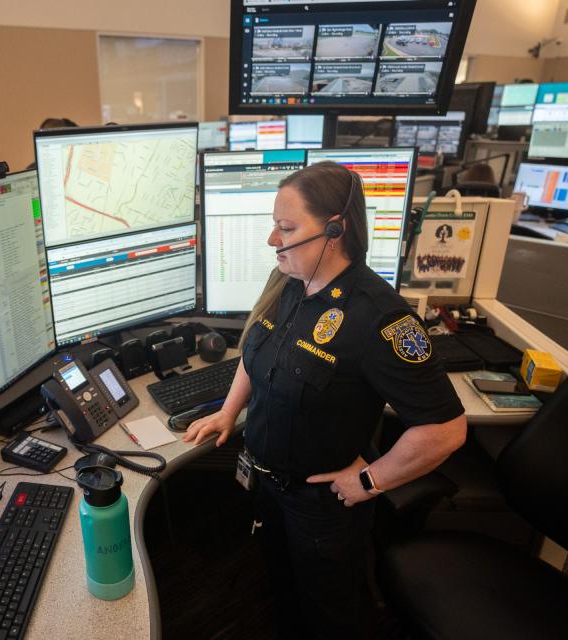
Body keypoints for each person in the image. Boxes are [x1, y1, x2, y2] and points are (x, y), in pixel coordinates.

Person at [183, 161, 467, 639]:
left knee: (331, 616)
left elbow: (445, 430)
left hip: (324, 504)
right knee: (284, 595)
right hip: (268, 485)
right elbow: (256, 353)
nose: (274, 239)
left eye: (286, 228)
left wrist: (369, 481)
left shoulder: (380, 319)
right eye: (275, 225)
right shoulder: (287, 283)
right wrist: (228, 411)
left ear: (334, 230)